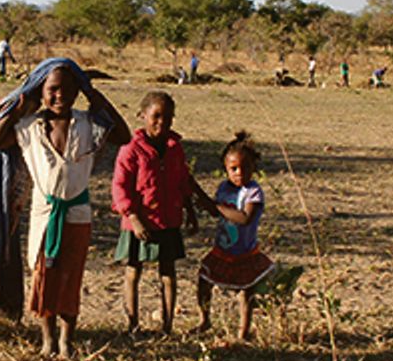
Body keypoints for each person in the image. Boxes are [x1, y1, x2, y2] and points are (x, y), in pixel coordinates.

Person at [0, 60, 129, 359]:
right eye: (52, 90)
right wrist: (18, 104)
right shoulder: (29, 127)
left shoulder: (88, 124)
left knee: (70, 277)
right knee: (44, 277)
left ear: (78, 92)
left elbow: (123, 136)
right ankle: (47, 340)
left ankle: (66, 340)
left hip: (77, 213)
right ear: (41, 91)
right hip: (44, 215)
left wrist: (97, 98)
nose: (59, 96)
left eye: (68, 89)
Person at [111, 91, 198, 335]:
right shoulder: (130, 149)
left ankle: (167, 325)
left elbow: (182, 180)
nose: (162, 122)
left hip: (168, 219)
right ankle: (133, 324)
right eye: (156, 116)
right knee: (133, 271)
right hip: (138, 222)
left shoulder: (175, 148)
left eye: (168, 117)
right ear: (142, 116)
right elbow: (120, 186)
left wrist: (189, 209)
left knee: (168, 273)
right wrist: (132, 217)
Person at [193, 131, 275, 341]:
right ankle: (204, 319)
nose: (239, 173)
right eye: (233, 168)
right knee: (204, 279)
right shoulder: (224, 189)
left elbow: (245, 218)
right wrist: (203, 205)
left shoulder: (253, 192)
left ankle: (243, 331)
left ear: (254, 168)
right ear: (226, 169)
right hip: (222, 249)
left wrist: (216, 207)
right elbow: (216, 210)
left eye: (245, 168)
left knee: (246, 292)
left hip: (244, 252)